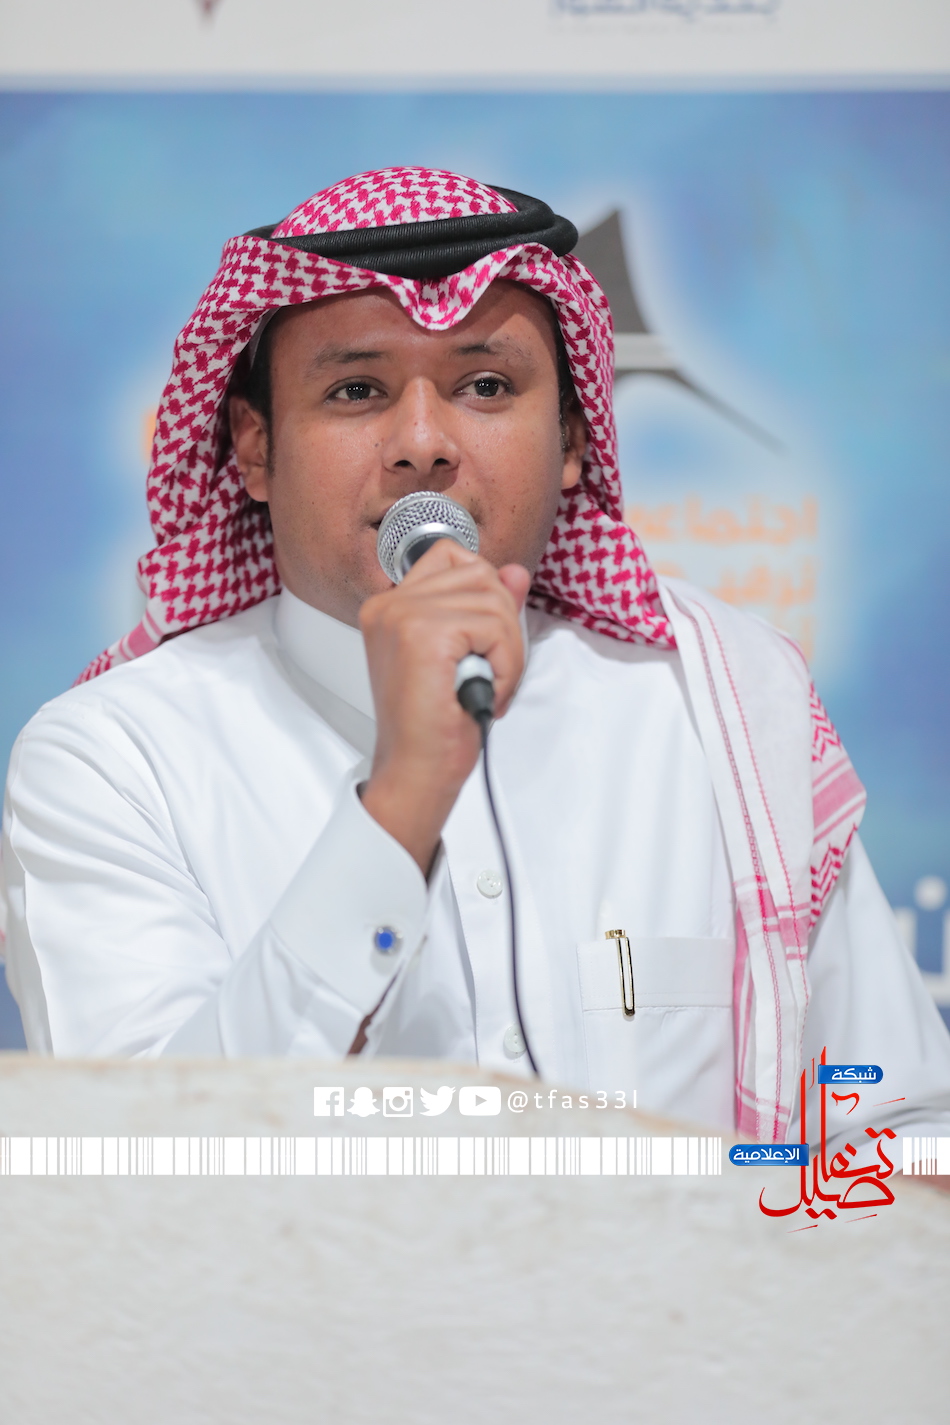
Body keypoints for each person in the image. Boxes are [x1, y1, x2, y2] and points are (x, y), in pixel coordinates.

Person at [2, 167, 948, 1155]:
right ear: (252, 447)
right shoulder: (112, 761)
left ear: (572, 439)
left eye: (485, 386)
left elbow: (902, 1129)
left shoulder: (723, 711)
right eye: (357, 390)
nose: (422, 445)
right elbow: (142, 1164)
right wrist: (401, 800)